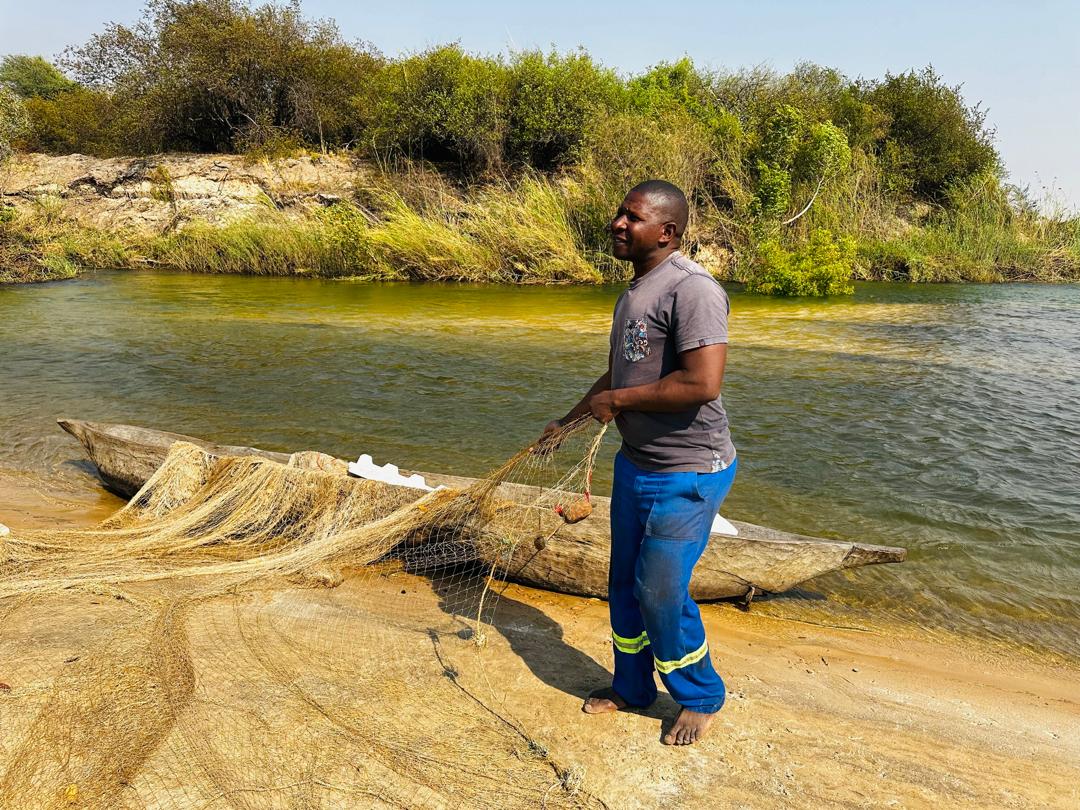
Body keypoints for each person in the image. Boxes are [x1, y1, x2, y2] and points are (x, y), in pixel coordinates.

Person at [540, 180, 736, 746]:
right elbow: (620, 374)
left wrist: (617, 404)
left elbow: (702, 383)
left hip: (688, 473)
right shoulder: (636, 290)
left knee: (660, 592)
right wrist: (571, 421)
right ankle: (632, 687)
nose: (617, 224)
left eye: (632, 217)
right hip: (637, 465)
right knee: (624, 586)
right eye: (619, 212)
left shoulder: (693, 290)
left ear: (668, 232)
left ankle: (700, 696)